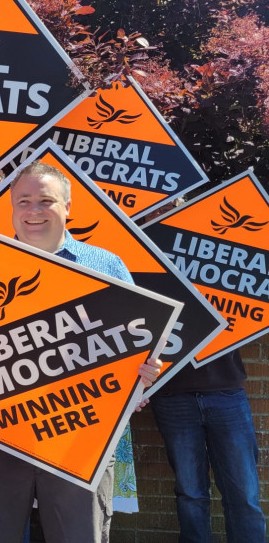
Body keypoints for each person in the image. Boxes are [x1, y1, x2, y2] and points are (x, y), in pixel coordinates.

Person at [0, 161, 161, 543]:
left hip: (80, 434)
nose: (33, 210)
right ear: (12, 207)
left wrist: (145, 374)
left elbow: (139, 346)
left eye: (45, 201)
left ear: (68, 207)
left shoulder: (107, 266)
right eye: (23, 201)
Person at [144, 199, 266, 542]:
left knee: (243, 494)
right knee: (190, 494)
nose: (162, 214)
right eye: (156, 210)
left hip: (224, 389)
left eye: (172, 208)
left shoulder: (217, 252)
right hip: (172, 395)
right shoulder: (139, 262)